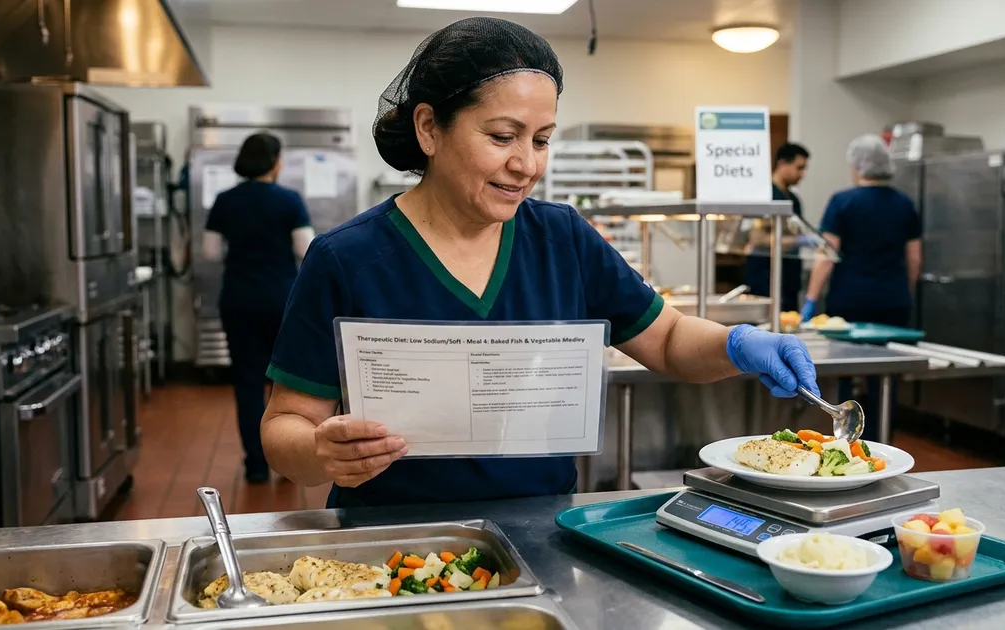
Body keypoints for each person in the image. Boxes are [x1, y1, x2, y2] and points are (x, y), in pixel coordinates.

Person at [259, 17, 821, 508]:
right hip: (393, 540)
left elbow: (668, 339)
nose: (527, 164)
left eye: (543, 139)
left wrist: (736, 345)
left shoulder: (563, 238)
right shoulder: (348, 258)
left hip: (541, 532)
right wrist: (320, 452)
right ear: (429, 128)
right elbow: (285, 426)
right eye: (503, 136)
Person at [203, 132, 315, 483]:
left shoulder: (225, 200)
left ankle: (255, 466)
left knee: (247, 381)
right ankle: (285, 460)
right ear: (276, 162)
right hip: (283, 301)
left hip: (238, 299)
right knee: (285, 382)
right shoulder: (289, 200)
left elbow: (209, 252)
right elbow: (305, 249)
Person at [801, 133, 922, 441]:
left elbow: (826, 255)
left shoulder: (843, 201)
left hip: (849, 302)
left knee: (845, 370)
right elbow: (914, 257)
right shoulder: (905, 203)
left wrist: (811, 300)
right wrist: (902, 291)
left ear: (857, 167)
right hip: (893, 302)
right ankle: (884, 440)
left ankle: (845, 438)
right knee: (887, 377)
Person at [743, 143, 811, 307]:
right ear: (782, 164)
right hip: (765, 278)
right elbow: (758, 239)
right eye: (799, 167)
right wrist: (798, 241)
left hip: (788, 279)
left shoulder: (793, 199)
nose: (802, 174)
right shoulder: (762, 195)